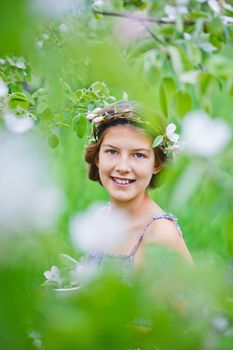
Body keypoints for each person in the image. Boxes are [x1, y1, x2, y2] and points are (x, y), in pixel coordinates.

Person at [84, 101, 192, 268]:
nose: (122, 167)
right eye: (112, 151)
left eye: (139, 155)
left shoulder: (160, 235)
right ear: (98, 158)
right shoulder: (101, 217)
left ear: (156, 164)